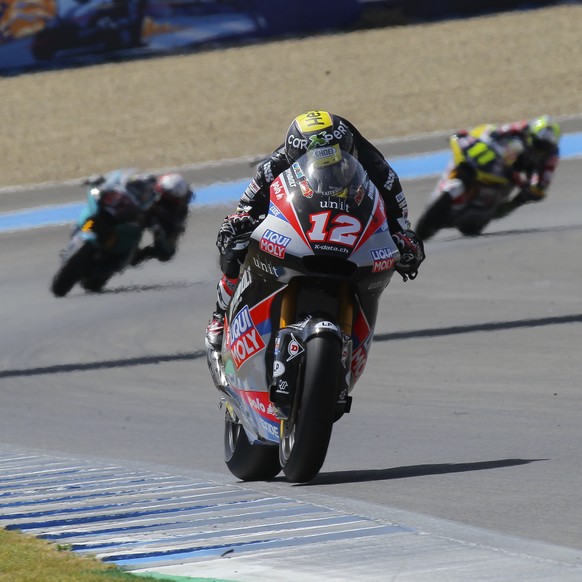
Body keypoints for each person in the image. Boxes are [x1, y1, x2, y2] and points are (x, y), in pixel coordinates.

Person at [205, 110, 426, 348]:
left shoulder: (378, 170)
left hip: (351, 230)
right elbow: (245, 208)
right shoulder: (274, 165)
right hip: (299, 220)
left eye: (333, 165)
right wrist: (238, 224)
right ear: (293, 158)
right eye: (316, 165)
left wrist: (406, 243)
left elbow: (400, 222)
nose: (326, 174)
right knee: (236, 241)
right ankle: (220, 315)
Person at [459, 114, 561, 219]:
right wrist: (492, 137)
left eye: (545, 147)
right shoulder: (523, 127)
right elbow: (497, 131)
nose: (540, 149)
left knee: (527, 195)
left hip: (526, 168)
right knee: (489, 135)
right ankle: (468, 156)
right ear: (531, 134)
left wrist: (536, 190)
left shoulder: (552, 155)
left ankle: (498, 209)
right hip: (504, 153)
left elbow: (546, 178)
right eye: (538, 143)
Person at [130, 172, 195, 266]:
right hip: (136, 208)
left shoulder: (179, 210)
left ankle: (135, 256)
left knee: (167, 252)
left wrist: (158, 230)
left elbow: (174, 232)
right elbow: (127, 181)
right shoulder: (150, 181)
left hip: (157, 220)